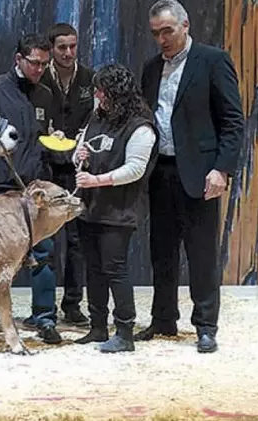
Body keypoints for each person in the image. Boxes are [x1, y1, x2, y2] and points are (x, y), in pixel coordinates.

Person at [136, 0, 244, 353]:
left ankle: (206, 325)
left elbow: (232, 121)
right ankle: (164, 318)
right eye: (156, 33)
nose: (162, 39)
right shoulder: (151, 68)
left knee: (201, 254)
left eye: (167, 30)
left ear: (185, 25)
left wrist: (222, 169)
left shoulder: (212, 61)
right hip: (160, 171)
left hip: (201, 173)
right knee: (161, 250)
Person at [0, 33, 62, 345]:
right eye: (34, 63)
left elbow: (45, 136)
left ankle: (45, 317)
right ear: (19, 59)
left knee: (43, 254)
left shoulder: (46, 95)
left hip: (34, 190)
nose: (39, 69)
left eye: (44, 64)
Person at [72, 64, 159, 353]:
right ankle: (98, 326)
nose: (96, 95)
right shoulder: (98, 116)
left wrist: (97, 180)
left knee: (115, 269)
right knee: (94, 269)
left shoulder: (140, 126)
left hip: (118, 210)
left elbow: (135, 168)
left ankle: (125, 331)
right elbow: (79, 148)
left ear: (116, 94)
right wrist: (79, 155)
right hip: (91, 207)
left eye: (101, 90)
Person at [40, 23, 94, 326]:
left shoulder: (88, 78)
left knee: (77, 242)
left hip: (76, 170)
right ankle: (43, 310)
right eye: (62, 47)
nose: (68, 53)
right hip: (44, 168)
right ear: (51, 49)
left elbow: (97, 118)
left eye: (73, 46)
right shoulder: (39, 78)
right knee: (43, 242)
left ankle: (73, 304)